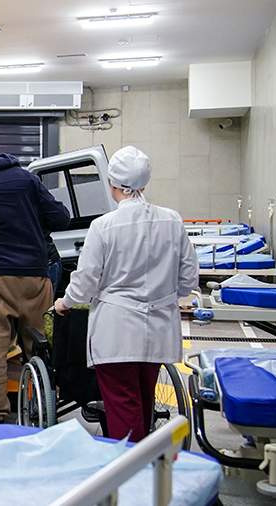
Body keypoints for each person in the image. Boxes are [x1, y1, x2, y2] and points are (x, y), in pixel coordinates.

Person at [53, 146, 199, 442]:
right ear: (145, 182)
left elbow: (85, 282)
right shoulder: (172, 220)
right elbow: (188, 279)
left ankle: (130, 464)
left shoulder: (103, 226)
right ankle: (145, 459)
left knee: (123, 406)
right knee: (144, 402)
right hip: (159, 329)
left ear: (112, 184)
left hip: (116, 332)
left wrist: (64, 303)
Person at [0, 144, 71, 425]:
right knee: (40, 346)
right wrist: (32, 227)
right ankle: (44, 405)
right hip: (35, 277)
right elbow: (61, 217)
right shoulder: (27, 179)